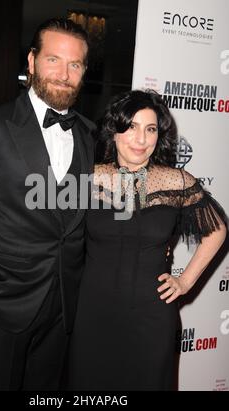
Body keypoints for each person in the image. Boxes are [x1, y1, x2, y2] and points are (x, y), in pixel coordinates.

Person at [0, 18, 95, 391]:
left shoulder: (89, 134)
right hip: (4, 299)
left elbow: (81, 212)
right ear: (31, 60)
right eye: (53, 60)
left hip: (64, 303)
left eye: (74, 64)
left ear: (84, 72)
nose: (63, 73)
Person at [64, 89, 227, 391]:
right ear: (114, 131)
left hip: (152, 317)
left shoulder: (177, 181)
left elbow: (217, 230)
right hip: (93, 312)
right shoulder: (88, 177)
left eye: (150, 129)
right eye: (132, 127)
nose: (141, 139)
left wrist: (186, 281)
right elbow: (44, 221)